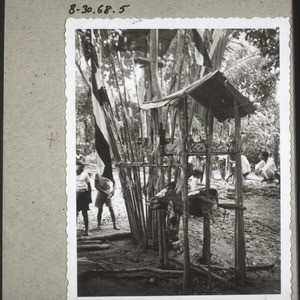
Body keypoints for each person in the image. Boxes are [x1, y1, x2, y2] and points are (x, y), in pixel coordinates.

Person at [76, 159, 92, 236]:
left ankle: (86, 230)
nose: (79, 169)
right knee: (75, 213)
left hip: (84, 194)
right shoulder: (70, 174)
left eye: (81, 168)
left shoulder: (85, 174)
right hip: (75, 194)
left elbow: (89, 186)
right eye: (77, 167)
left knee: (84, 213)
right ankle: (73, 231)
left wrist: (89, 197)